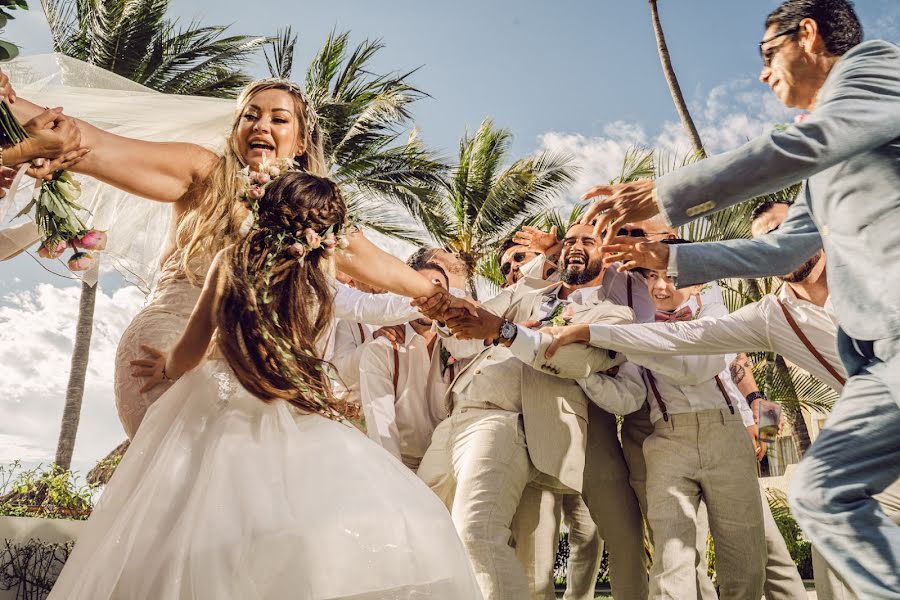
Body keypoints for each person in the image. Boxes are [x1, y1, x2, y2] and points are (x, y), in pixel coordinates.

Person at [574, 2, 900, 595]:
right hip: (869, 372)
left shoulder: (877, 70)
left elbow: (802, 146)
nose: (761, 74)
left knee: (793, 531)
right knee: (820, 496)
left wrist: (666, 195)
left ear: (807, 34)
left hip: (849, 368)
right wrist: (665, 261)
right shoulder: (781, 289)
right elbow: (772, 258)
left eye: (767, 54)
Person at [48, 170, 482, 600]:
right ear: (329, 231)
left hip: (219, 404)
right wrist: (437, 302)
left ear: (263, 209)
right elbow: (373, 307)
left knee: (196, 530)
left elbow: (192, 349)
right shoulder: (319, 276)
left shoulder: (231, 260)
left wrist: (165, 368)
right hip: (294, 409)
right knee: (303, 531)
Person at [418, 222, 648, 600]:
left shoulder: (614, 314)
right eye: (570, 241)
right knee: (432, 523)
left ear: (606, 256)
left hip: (552, 423)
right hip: (482, 417)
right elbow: (465, 330)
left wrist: (506, 332)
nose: (576, 246)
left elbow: (579, 360)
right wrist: (444, 309)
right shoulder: (526, 292)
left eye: (588, 242)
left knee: (614, 536)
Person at [358, 262, 454, 469]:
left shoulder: (462, 345)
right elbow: (382, 430)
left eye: (438, 286)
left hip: (453, 463)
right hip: (403, 465)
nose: (430, 296)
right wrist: (398, 481)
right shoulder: (381, 351)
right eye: (418, 286)